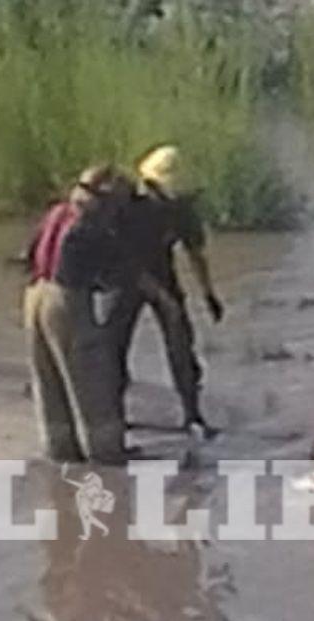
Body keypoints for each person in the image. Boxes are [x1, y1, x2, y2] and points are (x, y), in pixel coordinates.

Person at [115, 145, 224, 437]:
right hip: (126, 277)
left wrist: (208, 294)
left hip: (163, 273)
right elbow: (120, 254)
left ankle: (192, 415)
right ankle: (112, 413)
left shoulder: (183, 211)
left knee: (180, 342)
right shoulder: (129, 207)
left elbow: (195, 254)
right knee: (114, 345)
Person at [25, 165, 131, 464]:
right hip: (66, 301)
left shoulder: (57, 213)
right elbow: (113, 277)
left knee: (48, 380)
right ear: (104, 198)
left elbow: (29, 255)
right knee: (91, 377)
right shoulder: (90, 228)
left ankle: (60, 450)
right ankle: (106, 453)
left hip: (35, 295)